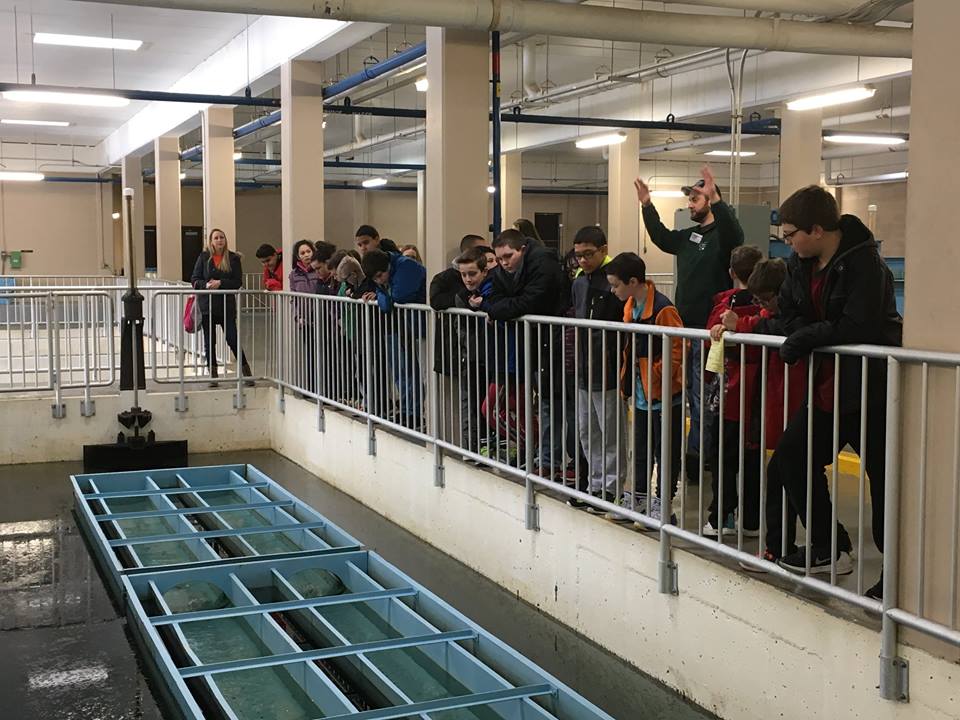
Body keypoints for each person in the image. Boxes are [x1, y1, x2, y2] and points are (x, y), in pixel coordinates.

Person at [759, 185, 901, 596]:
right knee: (791, 457)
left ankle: (895, 576)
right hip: (827, 389)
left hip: (870, 391)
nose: (787, 243)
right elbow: (788, 313)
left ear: (817, 230)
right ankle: (829, 546)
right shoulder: (799, 265)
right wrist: (812, 333)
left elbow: (858, 326)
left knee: (884, 482)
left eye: (791, 235)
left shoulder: (866, 265)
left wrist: (806, 338)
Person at [635, 165, 744, 478]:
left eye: (695, 199)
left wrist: (718, 201)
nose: (690, 205)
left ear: (710, 200)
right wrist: (647, 205)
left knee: (702, 398)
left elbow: (735, 236)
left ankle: (699, 456)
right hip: (683, 330)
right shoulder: (687, 237)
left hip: (708, 331)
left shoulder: (722, 237)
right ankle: (696, 453)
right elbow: (661, 237)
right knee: (686, 395)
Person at [717, 258, 806, 566]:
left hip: (798, 405)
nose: (763, 306)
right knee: (789, 476)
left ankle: (804, 546)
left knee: (787, 475)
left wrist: (742, 325)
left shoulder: (794, 315)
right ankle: (817, 544)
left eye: (766, 299)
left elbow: (780, 330)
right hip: (782, 404)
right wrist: (728, 330)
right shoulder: (768, 315)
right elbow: (760, 330)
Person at [479, 229, 569, 476]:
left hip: (551, 342)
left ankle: (553, 460)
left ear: (523, 249)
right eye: (499, 259)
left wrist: (494, 308)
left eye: (508, 256)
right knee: (542, 405)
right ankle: (545, 458)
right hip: (532, 344)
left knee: (554, 406)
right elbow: (497, 297)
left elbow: (529, 303)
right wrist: (497, 307)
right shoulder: (506, 271)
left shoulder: (544, 264)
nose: (504, 263)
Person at [606, 252, 684, 524]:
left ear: (633, 281)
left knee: (665, 452)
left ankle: (663, 504)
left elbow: (678, 348)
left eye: (616, 285)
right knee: (639, 449)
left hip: (664, 395)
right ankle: (638, 497)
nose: (612, 290)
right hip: (641, 394)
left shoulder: (663, 309)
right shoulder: (630, 307)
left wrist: (657, 374)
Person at [702, 245, 765, 537]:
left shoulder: (724, 308)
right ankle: (751, 520)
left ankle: (722, 516)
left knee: (723, 457)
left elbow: (709, 342)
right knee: (752, 456)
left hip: (729, 392)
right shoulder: (766, 309)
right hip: (759, 392)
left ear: (731, 272)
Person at [569, 226, 625, 508]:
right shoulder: (579, 282)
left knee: (610, 432)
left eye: (588, 254)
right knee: (587, 431)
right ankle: (595, 484)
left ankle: (611, 488)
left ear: (603, 250)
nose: (582, 260)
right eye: (578, 255)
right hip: (583, 368)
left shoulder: (612, 282)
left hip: (608, 369)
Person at [361, 248, 428, 429]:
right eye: (375, 279)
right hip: (402, 326)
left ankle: (415, 413)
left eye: (380, 276)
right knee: (402, 371)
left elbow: (398, 297)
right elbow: (389, 300)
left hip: (416, 327)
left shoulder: (407, 267)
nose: (379, 281)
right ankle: (407, 411)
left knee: (415, 373)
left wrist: (380, 295)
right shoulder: (390, 270)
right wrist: (384, 295)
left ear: (388, 266)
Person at [190, 228, 253, 388]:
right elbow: (195, 279)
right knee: (209, 341)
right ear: (211, 241)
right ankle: (213, 375)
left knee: (232, 338)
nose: (219, 240)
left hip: (226, 306)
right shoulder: (204, 257)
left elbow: (237, 282)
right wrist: (206, 285)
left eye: (222, 237)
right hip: (207, 306)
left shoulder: (233, 258)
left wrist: (221, 283)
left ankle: (246, 372)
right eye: (216, 238)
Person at [451, 246, 497, 453]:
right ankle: (476, 448)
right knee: (474, 405)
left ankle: (488, 446)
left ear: (484, 271)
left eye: (472, 274)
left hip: (492, 357)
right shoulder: (464, 296)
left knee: (490, 407)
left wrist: (486, 307)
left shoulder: (494, 291)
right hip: (474, 357)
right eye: (463, 275)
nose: (468, 279)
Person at [288, 239, 321, 394]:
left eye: (308, 251)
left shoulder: (318, 270)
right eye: (302, 253)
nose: (306, 255)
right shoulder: (293, 275)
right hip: (305, 321)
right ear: (297, 256)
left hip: (322, 317)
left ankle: (325, 389)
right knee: (311, 354)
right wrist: (298, 316)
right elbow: (293, 298)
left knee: (325, 353)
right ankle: (312, 388)